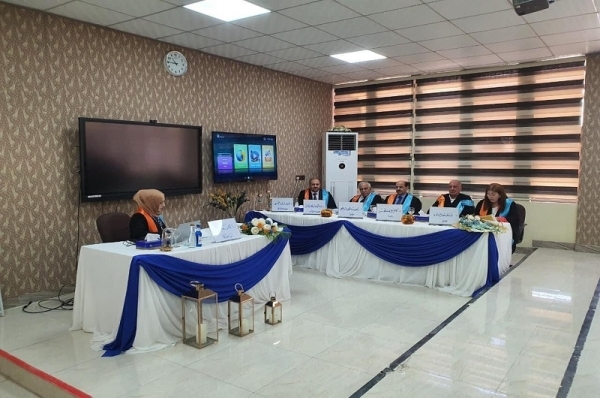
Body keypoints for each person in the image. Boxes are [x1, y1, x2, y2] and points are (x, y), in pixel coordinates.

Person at [474, 183, 519, 253]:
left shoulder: (509, 204)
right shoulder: (482, 203)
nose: (490, 197)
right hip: (484, 232)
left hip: (502, 234)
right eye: (488, 194)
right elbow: (476, 216)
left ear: (500, 195)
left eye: (493, 194)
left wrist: (501, 219)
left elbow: (515, 220)